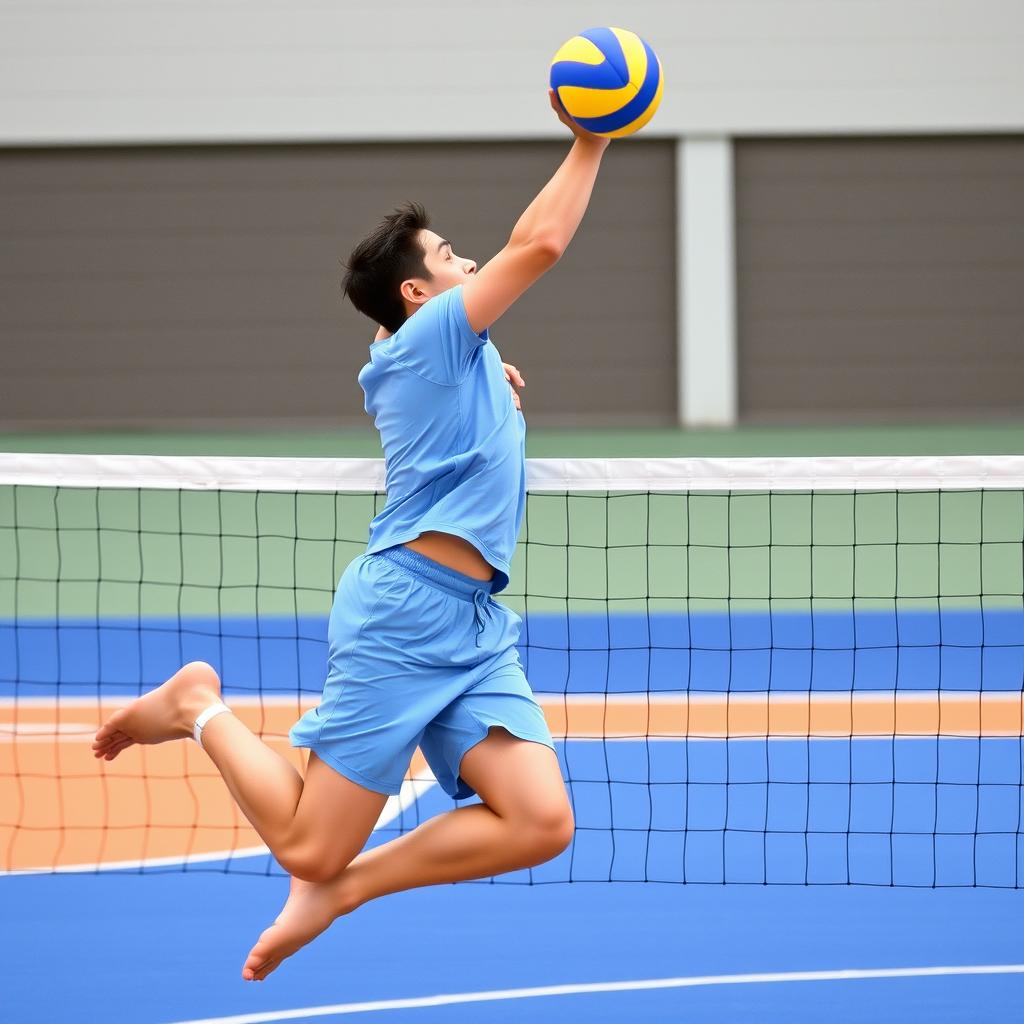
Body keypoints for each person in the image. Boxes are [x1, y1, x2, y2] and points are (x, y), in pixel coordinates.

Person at [91, 89, 610, 982]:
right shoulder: (434, 339)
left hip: (475, 628)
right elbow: (543, 243)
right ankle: (197, 707)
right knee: (305, 847)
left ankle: (348, 892)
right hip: (405, 618)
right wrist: (591, 141)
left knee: (540, 823)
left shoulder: (444, 345)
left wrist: (489, 362)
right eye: (450, 255)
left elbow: (420, 327)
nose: (469, 258)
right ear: (419, 292)